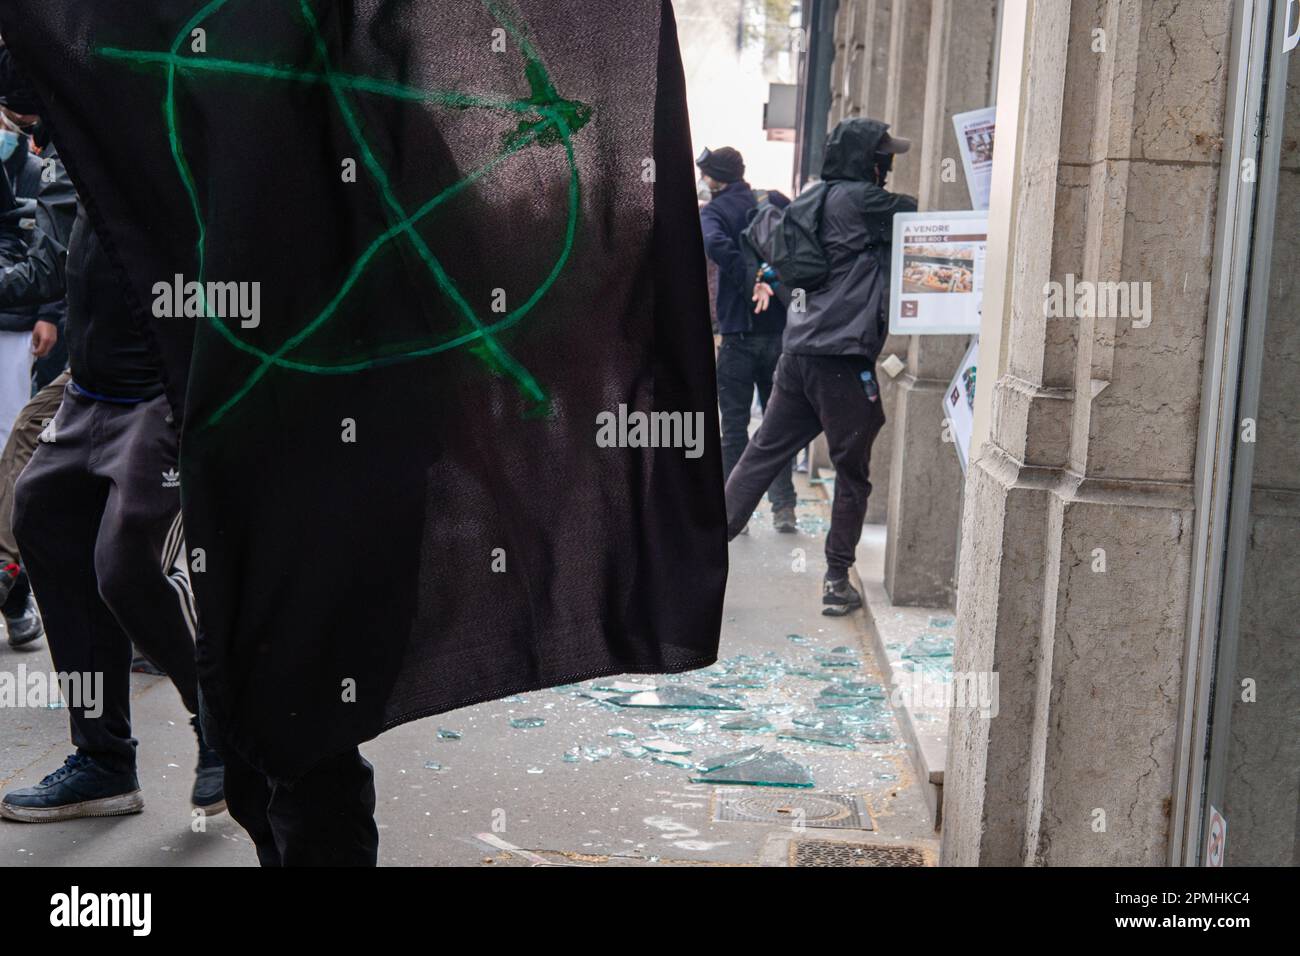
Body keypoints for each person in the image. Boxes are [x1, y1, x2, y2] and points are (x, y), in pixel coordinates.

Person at [0, 68, 224, 821]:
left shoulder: (173, 95)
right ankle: (103, 760)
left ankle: (219, 726)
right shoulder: (77, 96)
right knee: (40, 513)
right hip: (88, 386)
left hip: (163, 384)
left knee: (125, 560)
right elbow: (29, 89)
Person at [725, 117, 916, 615]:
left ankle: (695, 556)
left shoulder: (811, 197)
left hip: (798, 353)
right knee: (853, 473)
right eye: (884, 156)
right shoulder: (864, 201)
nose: (889, 166)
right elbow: (918, 217)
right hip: (842, 359)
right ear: (866, 161)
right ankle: (836, 580)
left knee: (760, 457)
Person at [696, 146, 797, 533]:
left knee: (734, 426)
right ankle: (783, 508)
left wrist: (747, 277)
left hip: (738, 335)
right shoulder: (770, 200)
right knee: (780, 427)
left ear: (717, 178)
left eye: (706, 175)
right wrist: (770, 275)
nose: (705, 182)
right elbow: (801, 232)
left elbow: (714, 245)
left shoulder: (715, 212)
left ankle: (731, 512)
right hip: (778, 334)